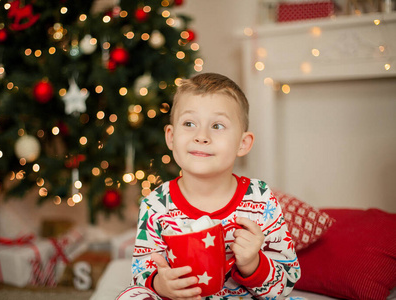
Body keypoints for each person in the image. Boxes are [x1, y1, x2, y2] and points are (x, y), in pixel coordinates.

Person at [117, 73, 300, 300]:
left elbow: (287, 281)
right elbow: (141, 271)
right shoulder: (156, 204)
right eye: (189, 123)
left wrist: (254, 264)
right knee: (130, 295)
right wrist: (160, 284)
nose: (201, 136)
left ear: (243, 143)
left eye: (217, 125)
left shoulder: (260, 198)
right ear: (171, 137)